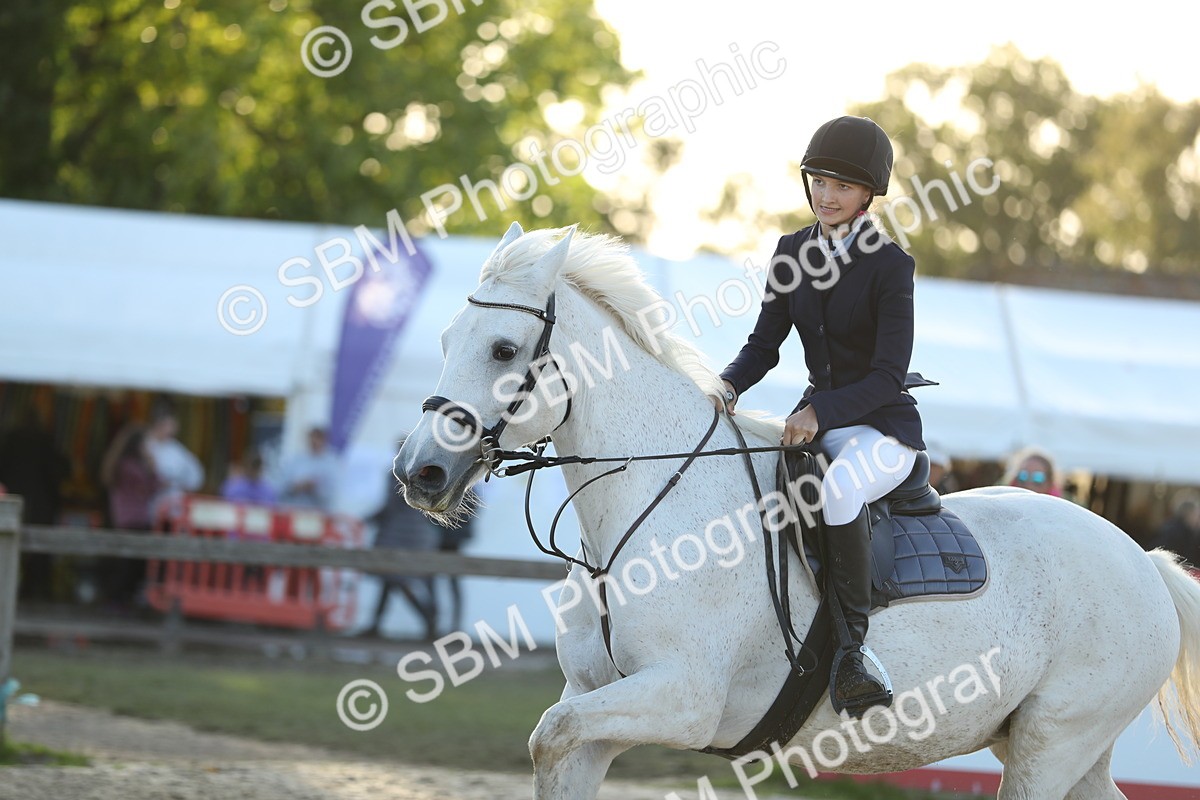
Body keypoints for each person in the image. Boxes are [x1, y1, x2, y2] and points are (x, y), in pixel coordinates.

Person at [718, 116, 926, 717]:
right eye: (819, 181)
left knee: (837, 491)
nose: (826, 195)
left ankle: (854, 653)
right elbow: (764, 343)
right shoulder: (792, 251)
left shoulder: (891, 266)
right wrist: (727, 383)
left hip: (883, 429)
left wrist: (820, 410)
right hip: (820, 421)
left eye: (841, 186)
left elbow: (889, 374)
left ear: (868, 194)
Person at [0, 404, 71, 601]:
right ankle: (39, 588)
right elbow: (61, 468)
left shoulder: (11, 437)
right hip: (41, 500)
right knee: (40, 547)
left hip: (13, 499)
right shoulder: (45, 438)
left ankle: (12, 587)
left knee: (11, 544)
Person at [363, 468, 441, 639]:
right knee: (391, 582)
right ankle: (377, 624)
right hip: (414, 536)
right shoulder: (428, 476)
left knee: (397, 581)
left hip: (400, 537)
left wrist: (367, 520)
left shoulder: (398, 475)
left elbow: (390, 506)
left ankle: (428, 616)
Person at [99, 422, 160, 607]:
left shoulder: (118, 463)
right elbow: (151, 487)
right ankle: (118, 599)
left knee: (127, 562)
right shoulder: (130, 466)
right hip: (134, 518)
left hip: (124, 517)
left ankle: (120, 599)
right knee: (130, 563)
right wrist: (152, 465)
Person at [145, 404, 204, 520]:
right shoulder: (146, 445)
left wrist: (180, 483)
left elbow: (195, 474)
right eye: (169, 425)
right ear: (158, 425)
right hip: (150, 505)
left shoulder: (175, 449)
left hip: (174, 506)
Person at [278, 426, 339, 511]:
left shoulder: (331, 463)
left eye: (318, 438)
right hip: (295, 511)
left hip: (318, 514)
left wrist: (315, 488)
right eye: (312, 437)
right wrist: (296, 487)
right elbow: (281, 487)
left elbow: (332, 493)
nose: (314, 441)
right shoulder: (297, 459)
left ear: (324, 441)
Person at [1148, 490, 1200, 566]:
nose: (1197, 518)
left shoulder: (1184, 530)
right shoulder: (1176, 531)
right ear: (1188, 513)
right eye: (1196, 514)